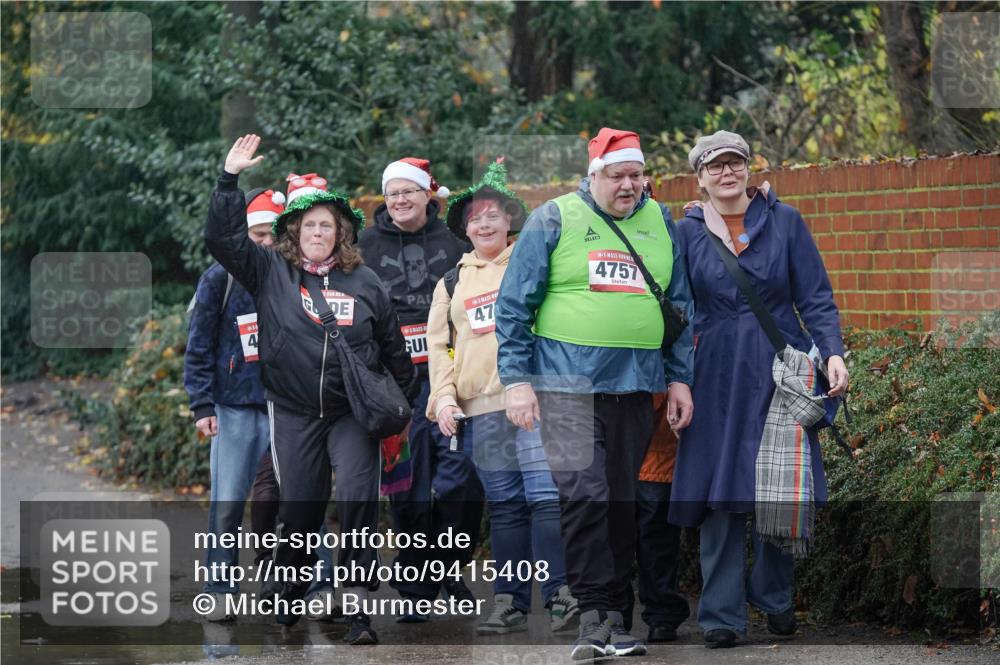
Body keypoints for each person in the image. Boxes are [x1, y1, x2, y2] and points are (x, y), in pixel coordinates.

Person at [204, 134, 418, 645]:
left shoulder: (364, 282)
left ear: (340, 232)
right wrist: (228, 179)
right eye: (309, 225)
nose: (318, 232)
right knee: (299, 506)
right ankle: (289, 596)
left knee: (359, 502)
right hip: (293, 411)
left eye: (327, 225)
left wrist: (397, 407)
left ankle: (359, 609)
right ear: (293, 231)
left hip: (351, 414)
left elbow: (395, 355)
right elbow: (221, 240)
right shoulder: (269, 272)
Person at [496, 128, 695, 660]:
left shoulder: (661, 222)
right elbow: (514, 306)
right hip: (565, 384)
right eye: (617, 175)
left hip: (635, 384)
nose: (628, 184)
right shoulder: (553, 218)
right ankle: (592, 614)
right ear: (594, 176)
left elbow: (679, 306)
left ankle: (615, 617)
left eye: (636, 174)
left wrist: (679, 379)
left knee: (622, 502)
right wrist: (516, 382)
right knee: (584, 496)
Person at [667, 130, 848, 649]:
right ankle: (721, 615)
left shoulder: (785, 222)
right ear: (699, 176)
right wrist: (675, 375)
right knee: (721, 494)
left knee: (781, 490)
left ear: (749, 168)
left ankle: (775, 599)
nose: (727, 173)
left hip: (781, 370)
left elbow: (815, 296)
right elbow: (676, 307)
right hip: (713, 373)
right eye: (715, 166)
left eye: (736, 163)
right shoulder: (685, 232)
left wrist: (832, 352)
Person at [426, 158, 578, 635]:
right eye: (475, 216)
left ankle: (560, 595)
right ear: (465, 228)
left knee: (545, 498)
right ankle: (510, 602)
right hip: (482, 410)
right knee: (506, 505)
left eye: (493, 214)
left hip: (533, 401)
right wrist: (445, 399)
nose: (484, 222)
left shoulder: (534, 262)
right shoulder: (450, 282)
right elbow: (439, 349)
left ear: (510, 220)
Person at [185, 184, 336, 619]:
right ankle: (219, 588)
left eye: (273, 234)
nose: (266, 243)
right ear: (244, 236)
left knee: (304, 497)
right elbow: (198, 345)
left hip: (291, 406)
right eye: (257, 236)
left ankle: (318, 585)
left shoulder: (298, 276)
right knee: (228, 502)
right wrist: (202, 405)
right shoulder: (220, 277)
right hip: (235, 407)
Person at [358, 157, 484, 619]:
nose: (399, 200)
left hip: (453, 381)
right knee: (407, 489)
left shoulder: (454, 241)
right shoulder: (365, 245)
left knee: (463, 483)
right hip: (395, 389)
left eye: (408, 192)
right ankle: (416, 584)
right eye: (391, 193)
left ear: (427, 195)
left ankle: (450, 568)